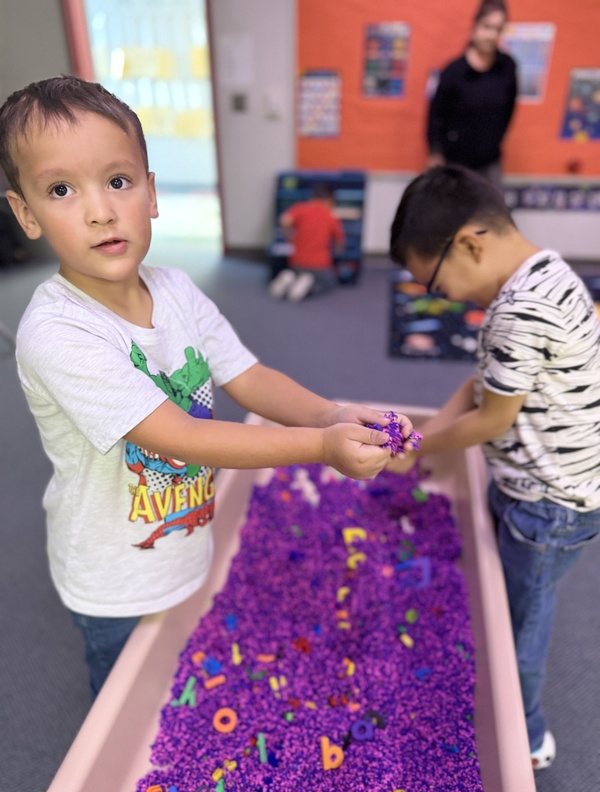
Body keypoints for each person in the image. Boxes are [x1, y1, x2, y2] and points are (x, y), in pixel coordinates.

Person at [0, 76, 414, 698]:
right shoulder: (57, 333)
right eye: (62, 189)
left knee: (182, 671)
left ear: (152, 193)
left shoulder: (176, 292)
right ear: (26, 213)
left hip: (184, 539)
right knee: (124, 699)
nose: (100, 210)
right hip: (112, 576)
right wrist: (323, 448)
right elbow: (182, 437)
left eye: (119, 181)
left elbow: (249, 378)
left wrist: (334, 414)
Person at [388, 164, 600, 771]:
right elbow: (486, 383)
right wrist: (424, 432)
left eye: (435, 282)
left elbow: (491, 421)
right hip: (539, 485)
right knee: (512, 596)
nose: (443, 298)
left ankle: (527, 734)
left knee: (521, 626)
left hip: (550, 503)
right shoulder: (548, 272)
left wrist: (418, 450)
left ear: (470, 244)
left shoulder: (517, 311)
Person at [426, 0, 517, 190]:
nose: (492, 35)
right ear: (475, 26)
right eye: (487, 27)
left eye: (498, 29)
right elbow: (435, 115)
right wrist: (435, 152)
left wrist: (497, 139)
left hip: (490, 162)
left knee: (492, 216)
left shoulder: (507, 68)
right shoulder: (453, 72)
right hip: (454, 163)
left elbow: (510, 108)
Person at [269, 183, 345, 302]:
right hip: (320, 265)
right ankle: (308, 287)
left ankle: (290, 278)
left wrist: (289, 236)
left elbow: (285, 220)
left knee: (297, 272)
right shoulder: (330, 215)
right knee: (329, 282)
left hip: (297, 262)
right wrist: (338, 251)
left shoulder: (300, 208)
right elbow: (340, 242)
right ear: (329, 200)